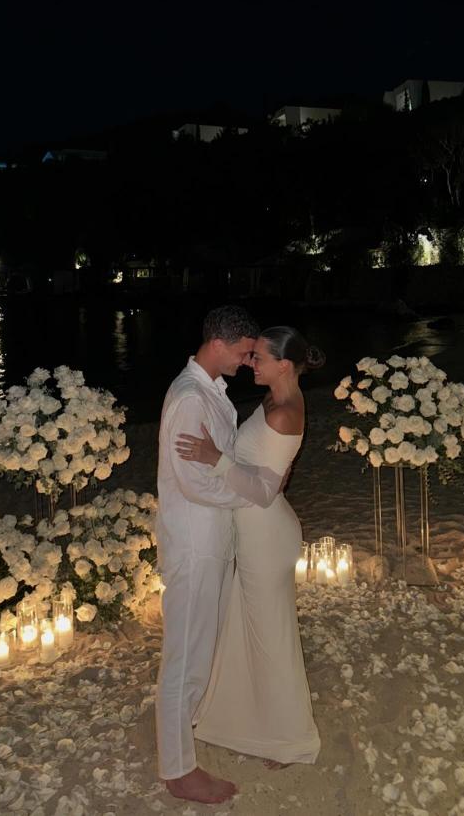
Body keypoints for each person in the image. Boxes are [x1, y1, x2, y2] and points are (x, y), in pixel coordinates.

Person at [176, 326, 323, 769]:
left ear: (283, 365)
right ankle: (250, 721)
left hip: (266, 537)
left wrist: (214, 458)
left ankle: (290, 740)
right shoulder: (272, 400)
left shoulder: (285, 412)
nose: (250, 363)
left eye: (258, 358)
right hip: (256, 532)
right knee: (249, 631)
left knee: (271, 639)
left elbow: (262, 491)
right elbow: (261, 469)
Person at [156, 304, 275, 804]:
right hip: (194, 541)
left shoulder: (211, 391)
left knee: (199, 650)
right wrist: (251, 494)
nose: (248, 361)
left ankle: (186, 734)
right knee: (185, 656)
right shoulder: (190, 397)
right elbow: (194, 482)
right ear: (219, 343)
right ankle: (178, 770)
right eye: (244, 352)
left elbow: (216, 464)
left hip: (212, 537)